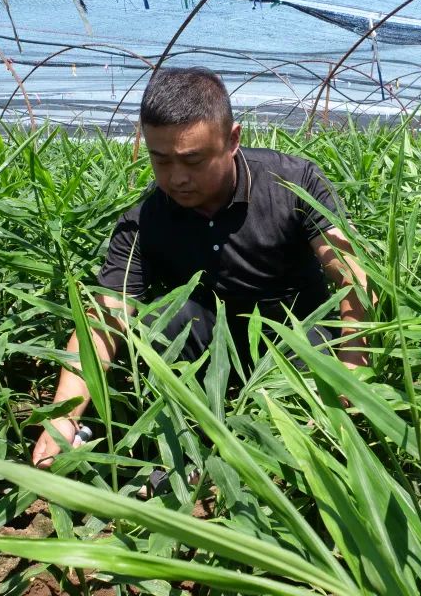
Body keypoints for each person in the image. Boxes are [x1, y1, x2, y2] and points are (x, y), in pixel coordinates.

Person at [32, 66, 370, 468]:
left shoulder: (294, 183)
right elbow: (104, 316)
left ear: (232, 140)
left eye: (193, 160)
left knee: (308, 377)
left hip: (292, 336)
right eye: (161, 160)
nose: (177, 178)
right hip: (205, 348)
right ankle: (184, 454)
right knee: (162, 322)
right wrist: (62, 417)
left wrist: (353, 364)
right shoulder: (145, 218)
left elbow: (353, 276)